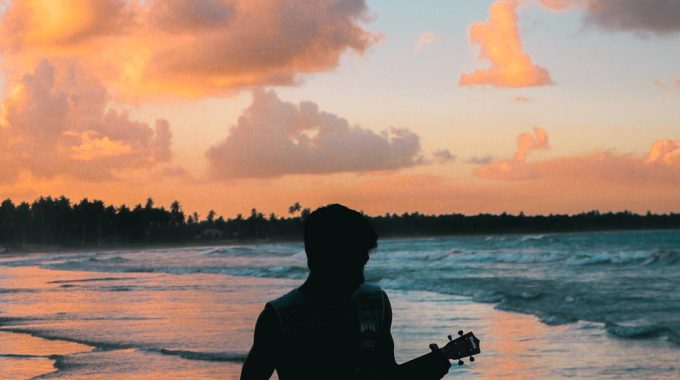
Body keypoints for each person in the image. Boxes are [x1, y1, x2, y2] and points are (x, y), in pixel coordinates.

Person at [240, 204, 452, 380]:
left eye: (363, 264)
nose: (361, 278)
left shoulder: (376, 303)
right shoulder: (278, 318)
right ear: (320, 259)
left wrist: (428, 371)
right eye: (351, 266)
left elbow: (388, 374)